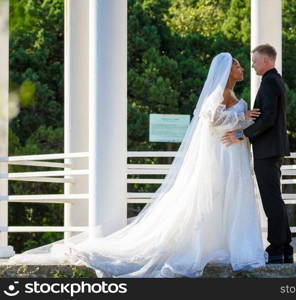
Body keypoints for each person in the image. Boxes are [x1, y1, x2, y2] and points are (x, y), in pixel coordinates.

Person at [10, 53, 267, 278]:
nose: (242, 68)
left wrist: (243, 126)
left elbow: (231, 123)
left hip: (233, 154)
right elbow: (210, 118)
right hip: (220, 156)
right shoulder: (219, 93)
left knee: (230, 199)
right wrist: (241, 116)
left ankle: (228, 243)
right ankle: (206, 244)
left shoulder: (233, 94)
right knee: (214, 198)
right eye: (237, 65)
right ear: (225, 70)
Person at [221, 44, 293, 264]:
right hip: (270, 149)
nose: (251, 64)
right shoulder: (272, 80)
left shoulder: (270, 81)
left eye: (254, 60)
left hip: (268, 150)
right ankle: (285, 248)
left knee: (271, 200)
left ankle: (276, 248)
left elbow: (268, 118)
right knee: (274, 199)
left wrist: (241, 134)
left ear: (267, 61)